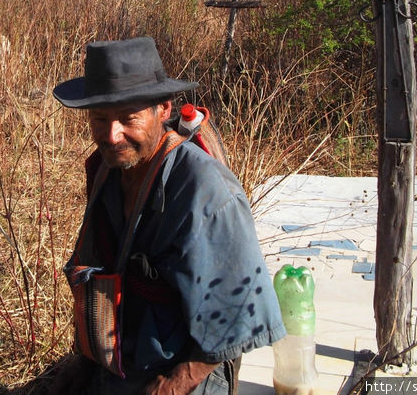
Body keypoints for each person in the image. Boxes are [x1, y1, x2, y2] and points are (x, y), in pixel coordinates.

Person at [49, 37, 284, 395]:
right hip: (121, 360)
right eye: (99, 119)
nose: (112, 136)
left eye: (129, 118)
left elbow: (238, 310)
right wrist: (86, 362)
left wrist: (174, 384)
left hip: (187, 368)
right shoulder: (107, 170)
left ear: (163, 109)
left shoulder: (205, 190)